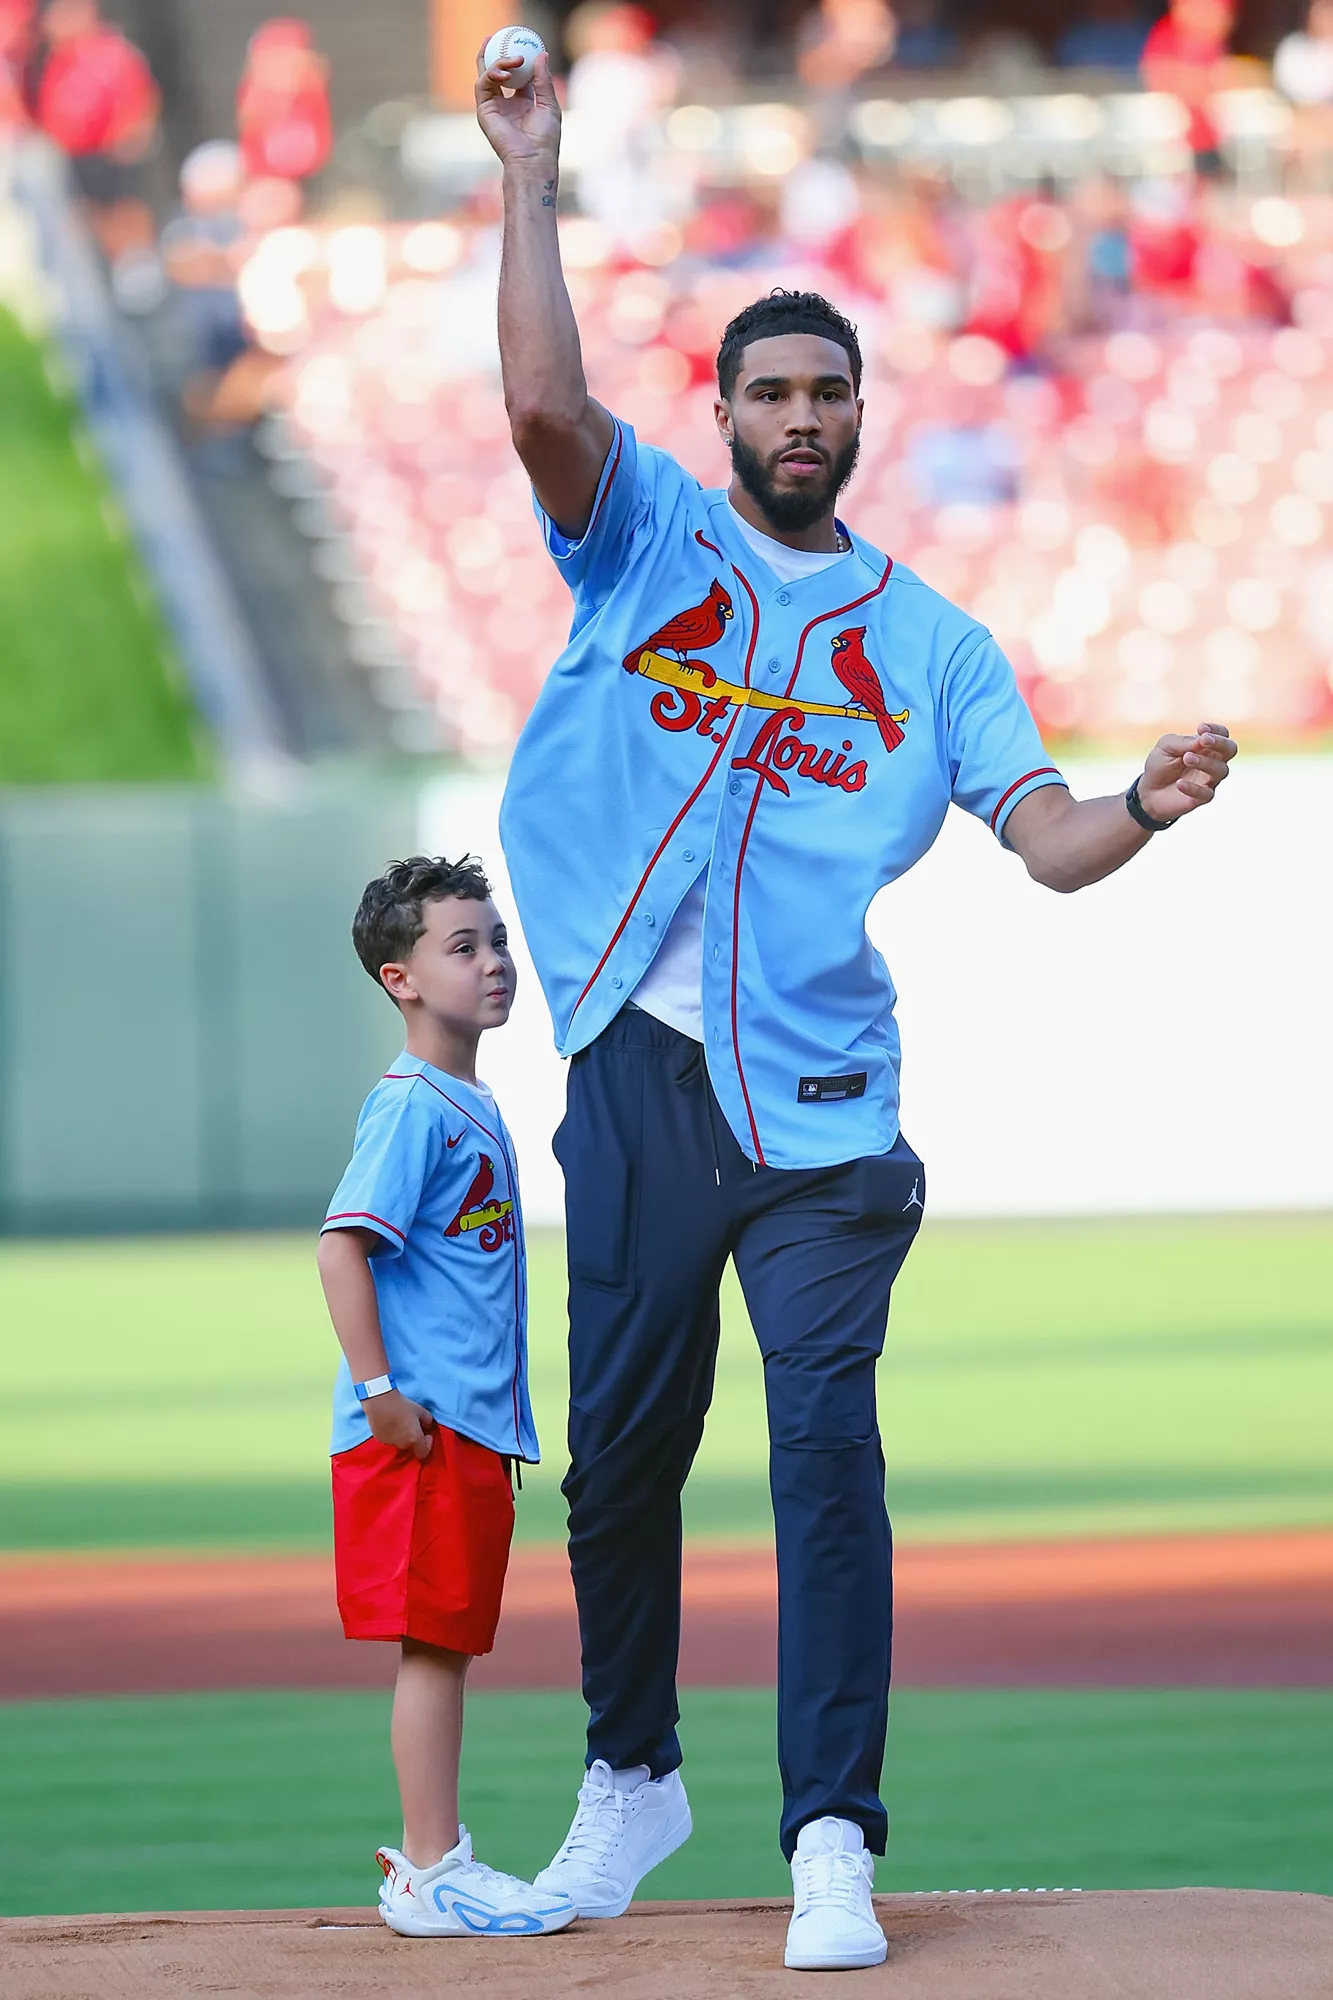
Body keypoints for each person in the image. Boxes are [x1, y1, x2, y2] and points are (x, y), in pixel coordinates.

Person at [476, 46, 1238, 1976]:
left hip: (819, 1118)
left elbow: (1043, 838)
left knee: (823, 1454)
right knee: (622, 1453)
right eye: (770, 390)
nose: (799, 415)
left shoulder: (932, 643)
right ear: (721, 411)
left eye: (828, 393)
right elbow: (542, 397)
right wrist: (530, 179)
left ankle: (831, 1836)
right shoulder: (643, 535)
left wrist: (1135, 811)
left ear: (862, 419)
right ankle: (629, 1780)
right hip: (639, 1073)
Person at [317, 854, 576, 1942]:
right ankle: (430, 1866)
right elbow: (341, 1249)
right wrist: (381, 1393)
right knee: (431, 1642)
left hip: (459, 1425)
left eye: (497, 940)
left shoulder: (462, 1098)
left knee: (448, 1640)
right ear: (401, 978)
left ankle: (435, 1859)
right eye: (460, 947)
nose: (493, 963)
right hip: (420, 1428)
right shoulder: (413, 1107)